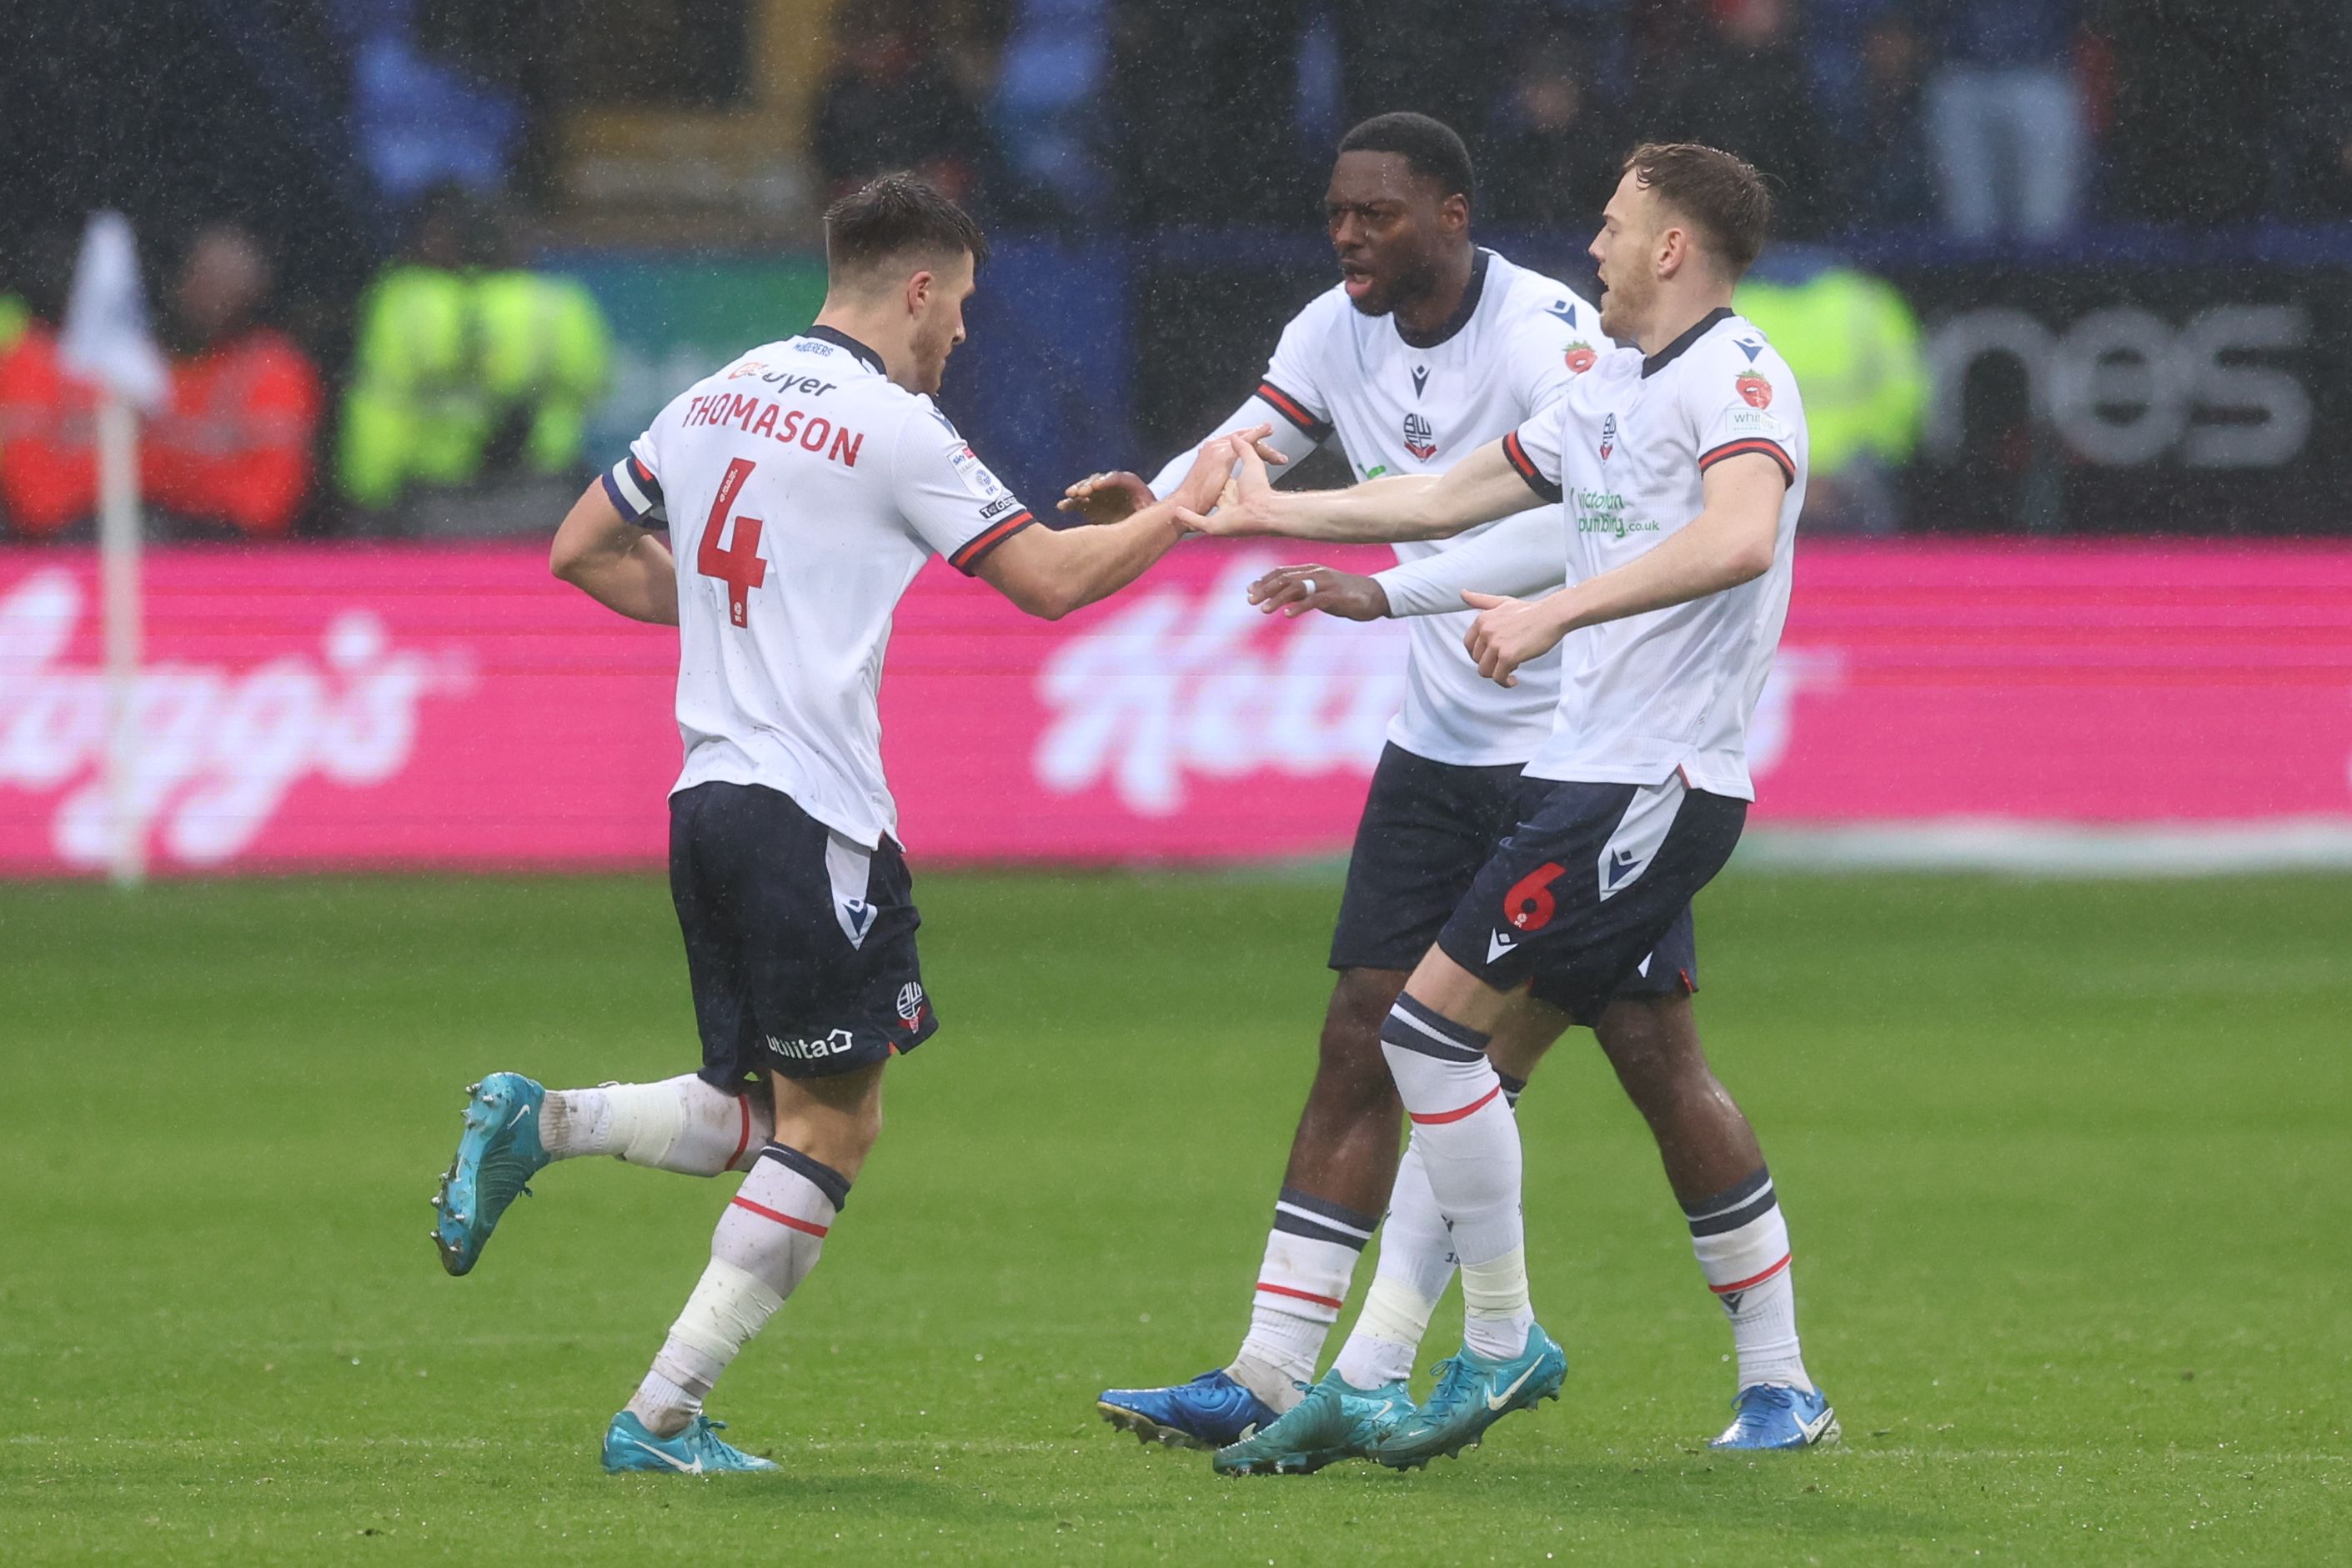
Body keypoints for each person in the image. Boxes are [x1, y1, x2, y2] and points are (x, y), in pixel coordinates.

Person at [425, 173, 1261, 1475]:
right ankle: (661, 1415)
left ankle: (545, 1124)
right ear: (917, 287)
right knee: (834, 1129)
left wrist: (728, 621)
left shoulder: (716, 391)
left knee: (750, 1113)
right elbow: (1045, 584)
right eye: (963, 305)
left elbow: (581, 548)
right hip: (810, 812)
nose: (965, 336)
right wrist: (1186, 506)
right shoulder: (894, 428)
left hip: (702, 800)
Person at [1066, 113, 1808, 1456]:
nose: (1595, 239)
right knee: (1411, 1037)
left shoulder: (1661, 362)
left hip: (1619, 771)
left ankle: (1633, 1356)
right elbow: (1443, 491)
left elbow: (1719, 532)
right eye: (1335, 211)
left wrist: (1537, 613)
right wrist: (1212, 511)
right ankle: (1322, 1369)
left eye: (1618, 221)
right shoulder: (1601, 383)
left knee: (1592, 1050)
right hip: (1511, 756)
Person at [143, 224, 323, 539]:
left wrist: (199, 517)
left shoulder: (274, 367)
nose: (213, 296)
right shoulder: (147, 363)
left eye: (225, 283)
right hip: (157, 534)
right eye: (204, 278)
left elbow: (271, 495)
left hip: (235, 551)